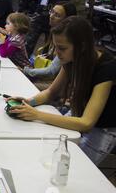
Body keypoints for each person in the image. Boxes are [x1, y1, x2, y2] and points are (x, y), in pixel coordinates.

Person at [7, 16, 116, 165]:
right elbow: (51, 92)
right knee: (55, 154)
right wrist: (29, 102)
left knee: (77, 167)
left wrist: (37, 114)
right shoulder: (72, 58)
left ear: (82, 46)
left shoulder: (106, 68)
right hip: (80, 111)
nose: (57, 53)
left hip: (102, 127)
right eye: (56, 46)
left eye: (62, 48)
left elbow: (86, 123)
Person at [22, 1, 77, 90]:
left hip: (58, 84)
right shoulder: (54, 33)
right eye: (52, 12)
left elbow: (52, 71)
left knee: (25, 85)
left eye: (57, 15)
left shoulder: (68, 39)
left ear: (67, 20)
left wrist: (26, 70)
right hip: (51, 80)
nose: (51, 16)